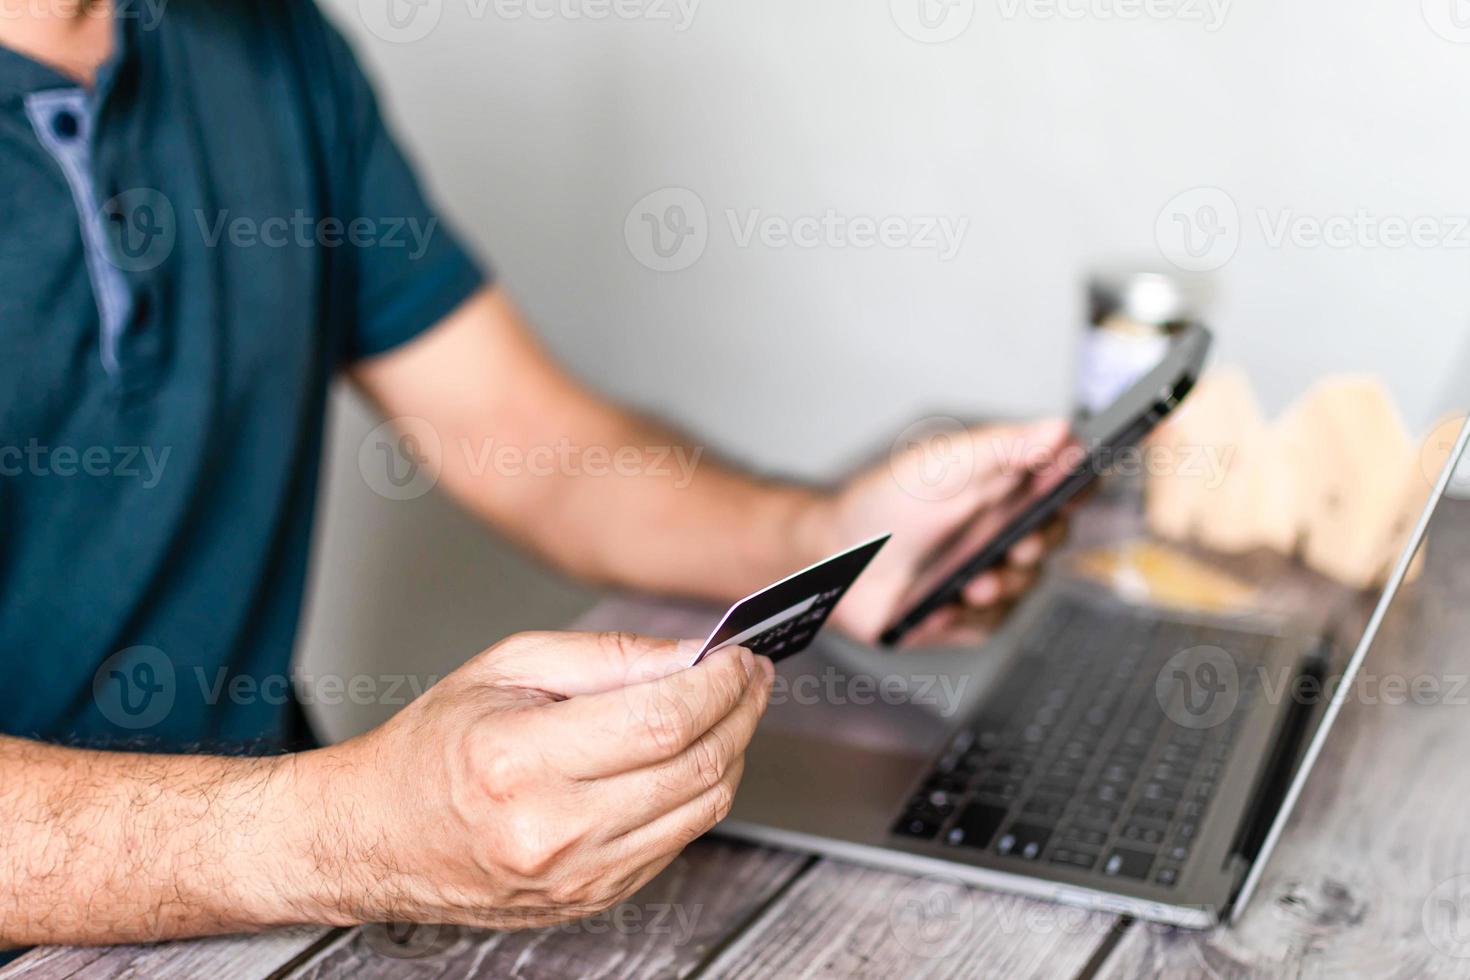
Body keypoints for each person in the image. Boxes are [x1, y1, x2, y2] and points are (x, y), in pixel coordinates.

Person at [0, 0, 1068, 949]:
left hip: (282, 918)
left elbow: (531, 442)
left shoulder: (276, 46)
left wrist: (818, 536)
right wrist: (344, 828)